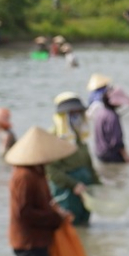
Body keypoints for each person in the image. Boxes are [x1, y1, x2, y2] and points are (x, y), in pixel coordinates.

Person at [6, 127, 74, 256]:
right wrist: (56, 218)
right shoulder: (24, 176)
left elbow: (45, 201)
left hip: (39, 239)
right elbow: (24, 213)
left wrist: (59, 211)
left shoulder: (38, 171)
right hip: (28, 242)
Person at [46, 92, 101, 226]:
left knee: (85, 225)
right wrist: (73, 184)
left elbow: (88, 163)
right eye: (72, 113)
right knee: (70, 225)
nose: (76, 116)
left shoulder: (78, 135)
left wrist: (98, 185)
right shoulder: (53, 136)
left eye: (78, 112)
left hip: (85, 187)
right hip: (67, 191)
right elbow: (51, 171)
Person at [88, 80, 129, 163]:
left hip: (99, 152)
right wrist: (126, 156)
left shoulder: (100, 112)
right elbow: (116, 141)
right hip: (111, 154)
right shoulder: (112, 116)